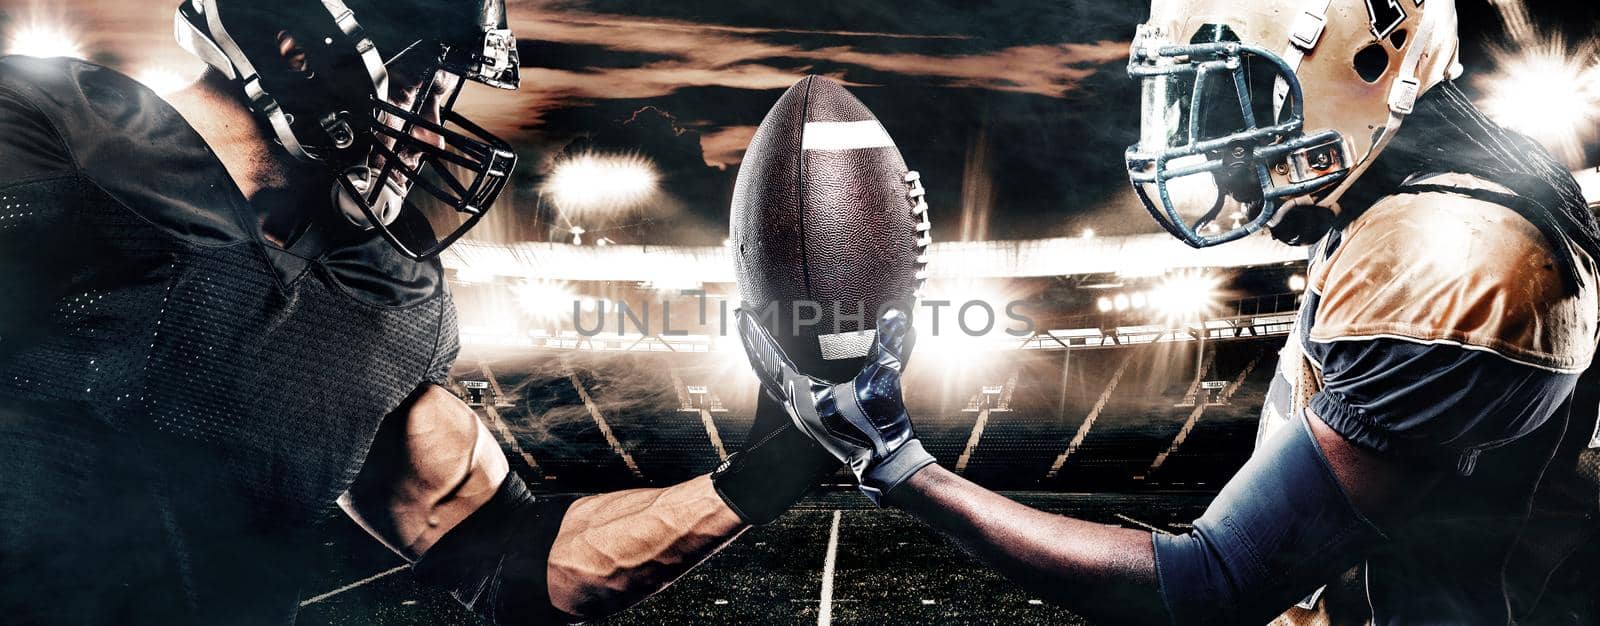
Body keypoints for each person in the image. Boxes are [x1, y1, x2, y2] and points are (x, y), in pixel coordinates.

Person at [738, 0, 1600, 623]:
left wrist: (898, 463)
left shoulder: (1456, 251)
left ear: (1374, 64)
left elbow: (1208, 586)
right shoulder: (1409, 207)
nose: (1201, 139)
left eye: (1231, 97)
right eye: (1185, 99)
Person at [0, 1, 835, 624]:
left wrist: (780, 460)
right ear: (297, 40)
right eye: (421, 84)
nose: (434, 130)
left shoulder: (380, 286)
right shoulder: (43, 133)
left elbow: (512, 561)